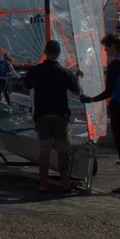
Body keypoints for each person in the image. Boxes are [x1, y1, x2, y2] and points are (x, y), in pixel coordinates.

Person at [81, 33, 120, 194]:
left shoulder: (116, 64)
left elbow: (108, 92)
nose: (105, 50)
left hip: (119, 109)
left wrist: (90, 99)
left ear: (113, 47)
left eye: (106, 47)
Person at [23, 40, 80, 193]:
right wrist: (77, 77)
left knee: (44, 151)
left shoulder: (36, 70)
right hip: (60, 115)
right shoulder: (65, 72)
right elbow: (77, 91)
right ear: (58, 53)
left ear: (45, 52)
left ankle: (43, 184)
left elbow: (26, 85)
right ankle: (65, 183)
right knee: (63, 150)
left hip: (41, 115)